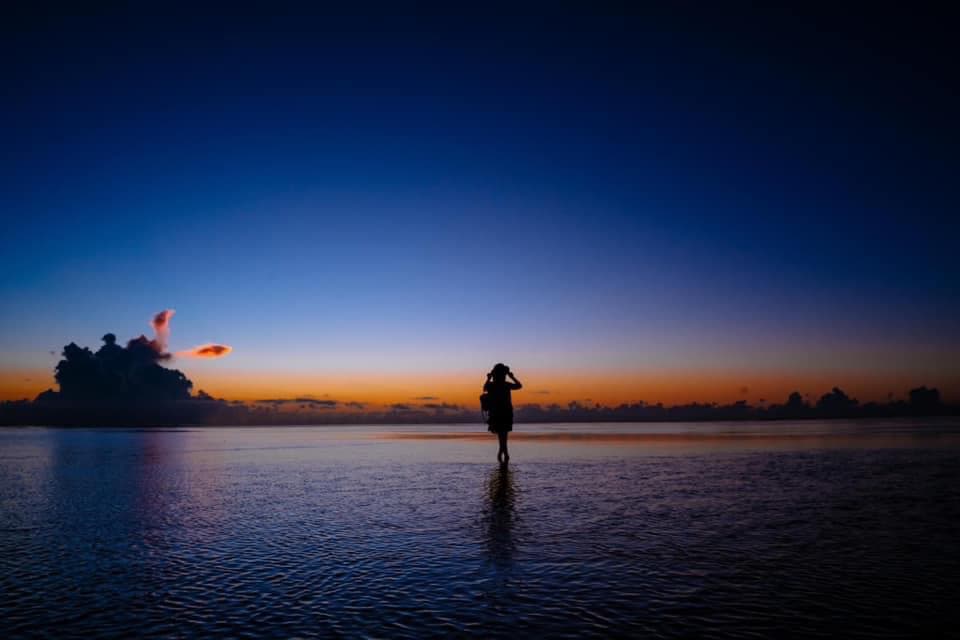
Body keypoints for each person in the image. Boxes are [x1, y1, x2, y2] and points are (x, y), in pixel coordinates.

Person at [482, 363, 522, 462]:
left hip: (496, 413)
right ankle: (504, 453)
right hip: (505, 412)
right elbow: (519, 385)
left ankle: (502, 452)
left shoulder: (492, 385)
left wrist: (489, 377)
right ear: (503, 375)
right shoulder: (506, 385)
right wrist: (512, 377)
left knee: (501, 434)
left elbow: (485, 388)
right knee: (504, 434)